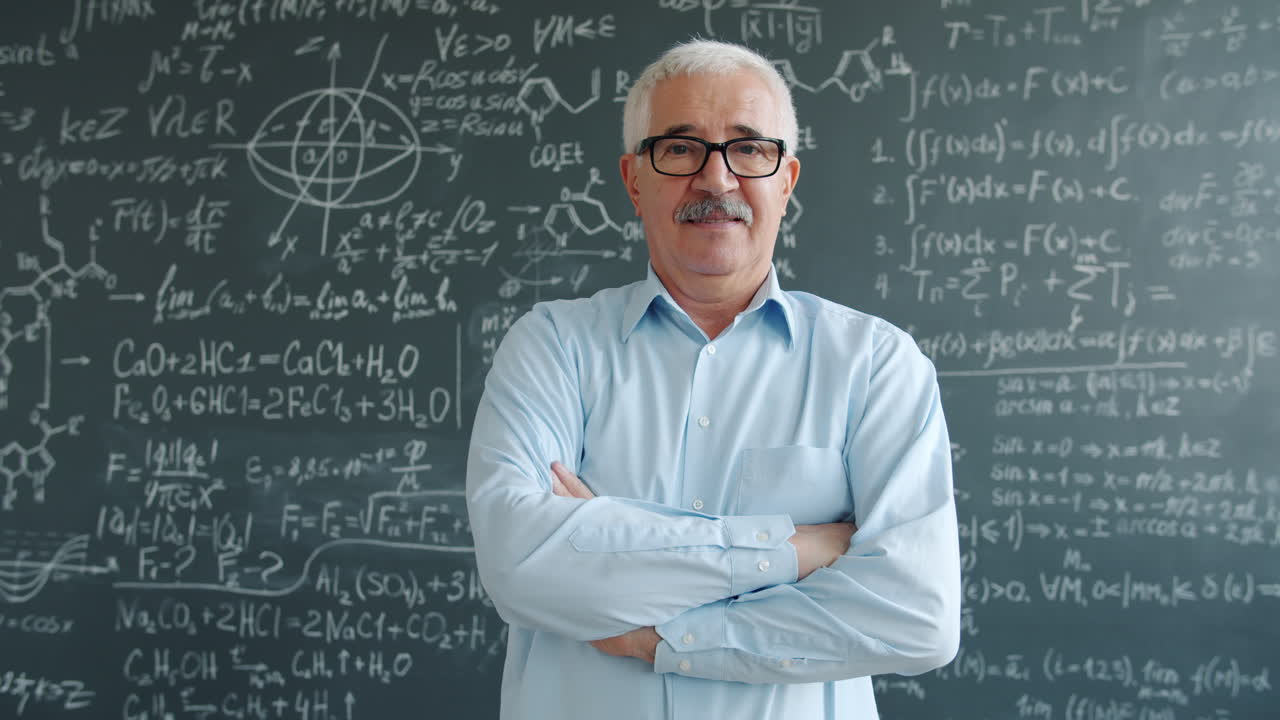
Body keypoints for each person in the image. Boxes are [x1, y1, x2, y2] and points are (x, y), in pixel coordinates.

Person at [466, 39, 960, 719]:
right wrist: (801, 551)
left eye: (749, 148)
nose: (717, 180)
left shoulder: (875, 365)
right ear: (633, 177)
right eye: (680, 147)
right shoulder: (552, 348)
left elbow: (916, 615)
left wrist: (661, 639)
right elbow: (521, 568)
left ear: (786, 179)